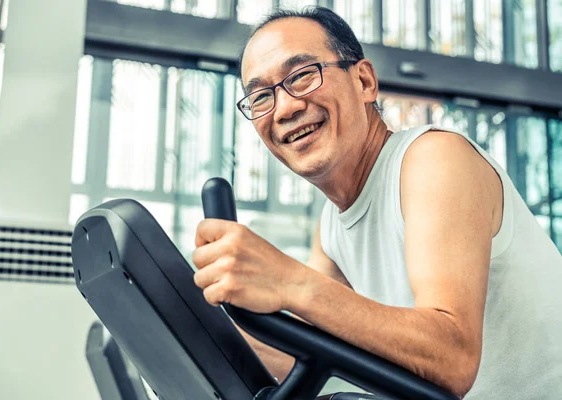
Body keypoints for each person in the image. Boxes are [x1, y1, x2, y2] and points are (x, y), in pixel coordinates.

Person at [191, 6, 562, 399]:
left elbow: (452, 358)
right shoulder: (333, 224)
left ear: (365, 81)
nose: (284, 107)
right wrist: (191, 331)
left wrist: (288, 281)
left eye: (301, 76)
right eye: (261, 96)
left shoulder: (433, 159)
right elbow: (307, 350)